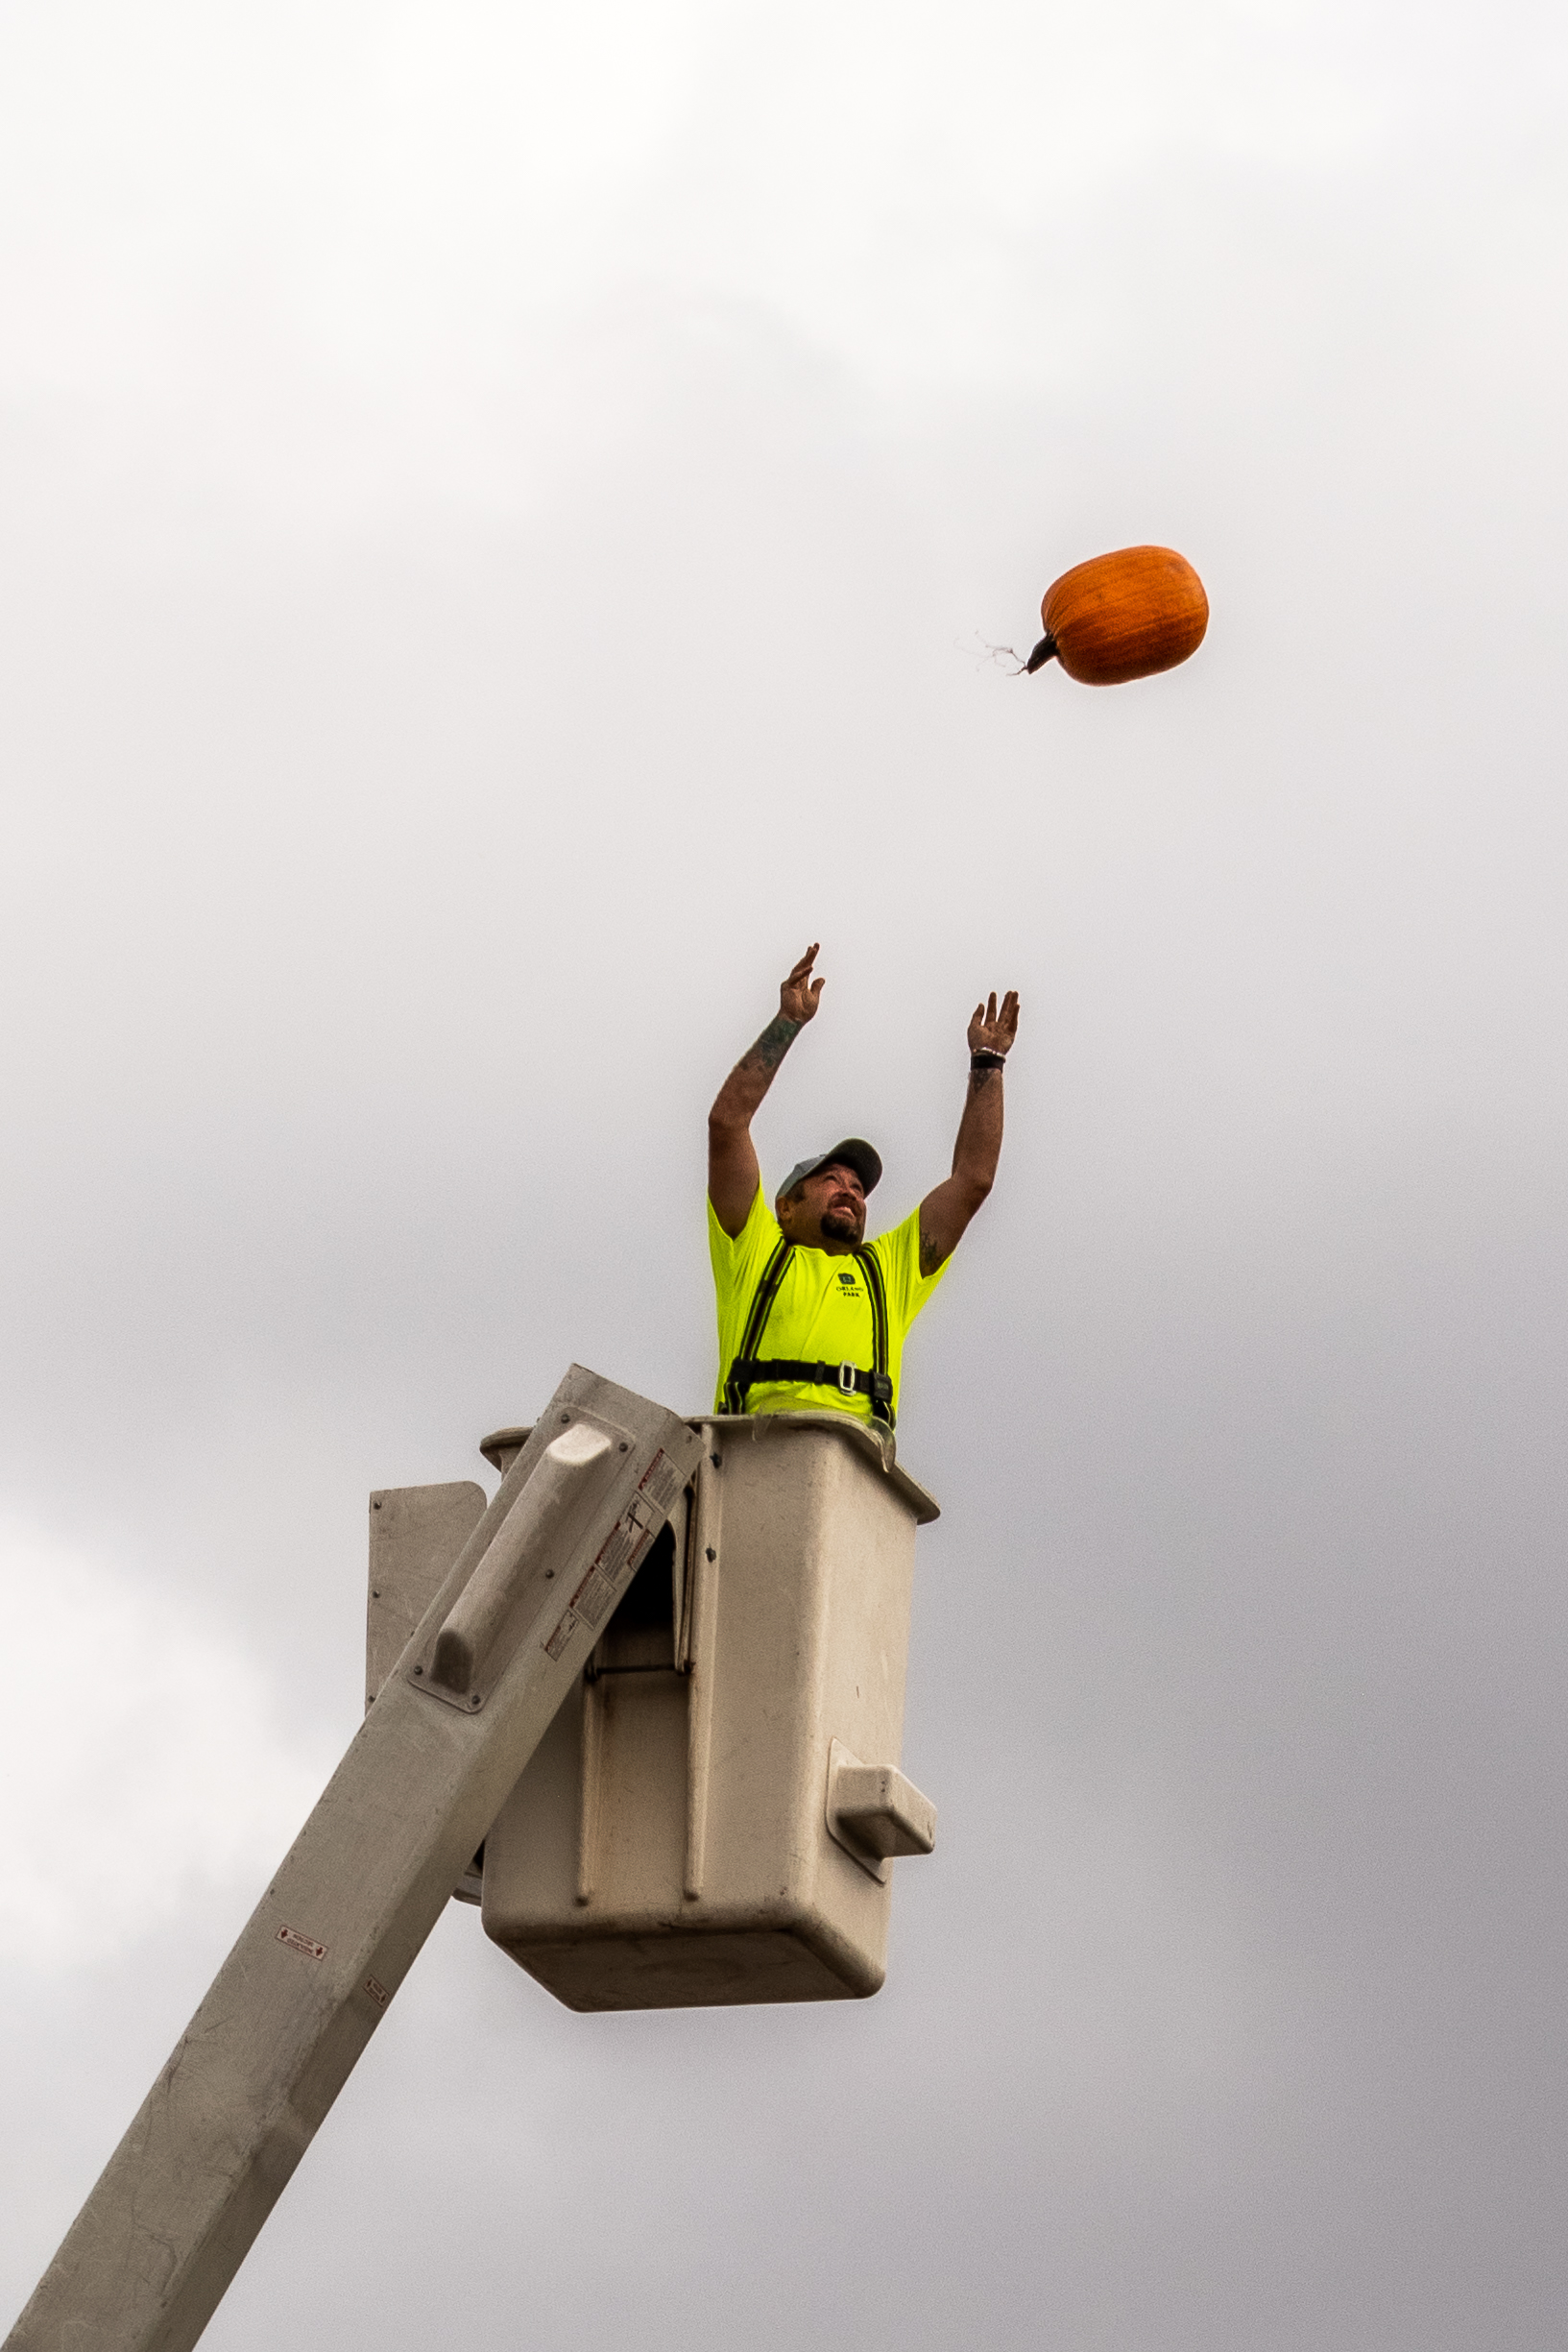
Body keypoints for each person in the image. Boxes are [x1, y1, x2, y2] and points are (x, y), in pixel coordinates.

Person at [708, 943, 1019, 1433]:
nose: (850, 1190)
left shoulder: (888, 1271)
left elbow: (972, 1180)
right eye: (830, 1179)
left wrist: (988, 1062)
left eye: (857, 1185)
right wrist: (786, 1023)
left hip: (854, 1479)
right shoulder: (754, 1251)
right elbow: (728, 1125)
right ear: (785, 1207)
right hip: (752, 1466)